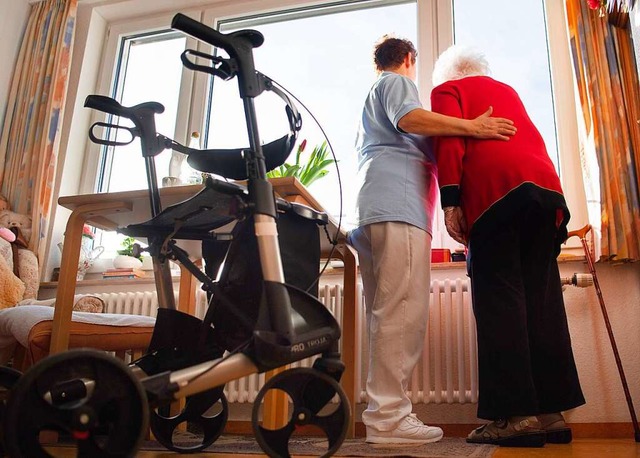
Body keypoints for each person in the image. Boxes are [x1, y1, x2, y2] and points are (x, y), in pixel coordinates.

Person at [347, 35, 517, 446]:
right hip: (397, 206)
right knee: (403, 312)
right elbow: (411, 119)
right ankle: (389, 419)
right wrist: (472, 126)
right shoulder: (396, 83)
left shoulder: (372, 98)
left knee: (386, 314)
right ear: (408, 59)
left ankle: (383, 415)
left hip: (373, 207)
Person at [430, 45, 585, 447]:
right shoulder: (507, 91)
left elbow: (449, 142)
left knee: (501, 301)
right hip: (545, 193)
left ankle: (516, 418)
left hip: (497, 194)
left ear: (448, 74)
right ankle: (551, 413)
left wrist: (450, 202)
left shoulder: (449, 91)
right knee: (542, 300)